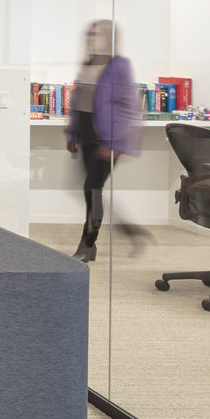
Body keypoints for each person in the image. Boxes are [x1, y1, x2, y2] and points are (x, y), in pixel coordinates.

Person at [66, 18, 145, 261]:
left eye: (97, 34)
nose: (91, 38)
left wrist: (115, 143)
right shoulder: (88, 63)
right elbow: (78, 101)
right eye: (89, 34)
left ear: (109, 38)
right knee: (90, 190)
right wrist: (72, 133)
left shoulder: (119, 65)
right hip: (86, 135)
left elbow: (128, 106)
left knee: (92, 189)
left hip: (106, 139)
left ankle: (87, 244)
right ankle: (129, 230)